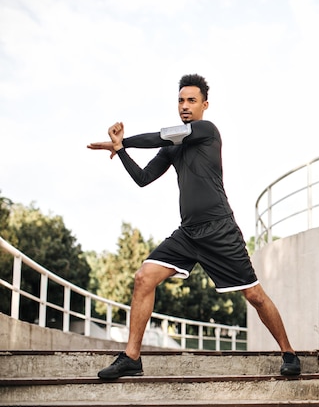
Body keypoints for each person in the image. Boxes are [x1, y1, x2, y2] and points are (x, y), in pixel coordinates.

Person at [87, 73, 300, 379]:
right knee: (144, 277)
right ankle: (132, 357)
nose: (185, 106)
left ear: (204, 104)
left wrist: (125, 141)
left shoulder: (205, 130)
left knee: (254, 295)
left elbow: (160, 136)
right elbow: (144, 178)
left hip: (219, 229)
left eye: (191, 100)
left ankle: (288, 352)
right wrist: (121, 151)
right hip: (188, 233)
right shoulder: (172, 147)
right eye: (180, 100)